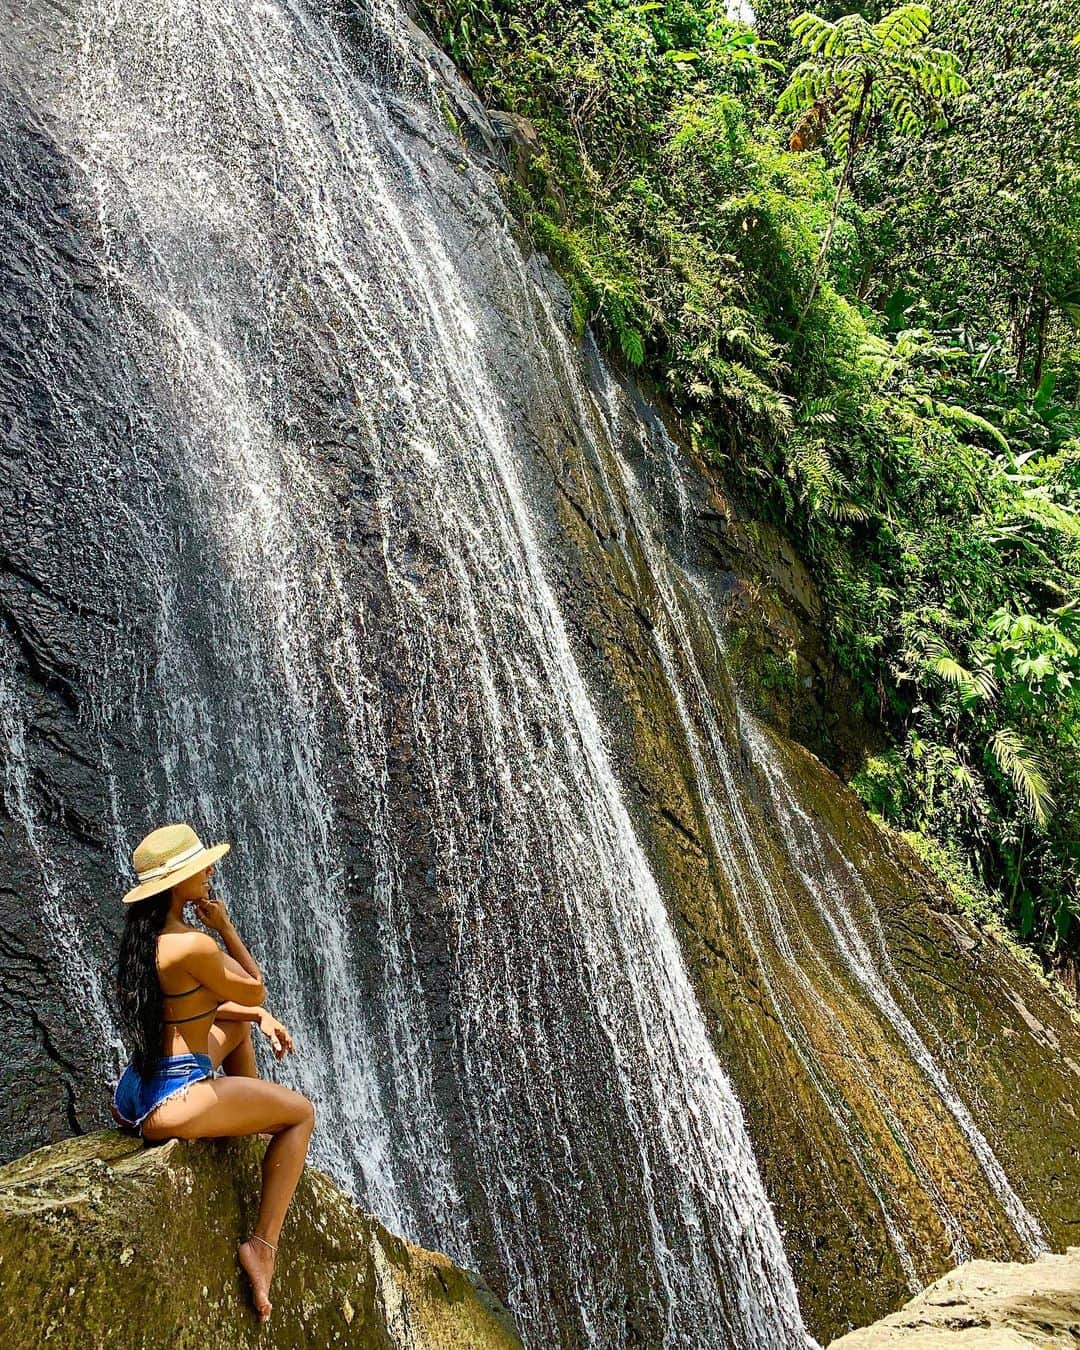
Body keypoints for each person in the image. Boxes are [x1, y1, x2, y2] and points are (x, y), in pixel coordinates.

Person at [111, 822, 316, 1324]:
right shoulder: (196, 945)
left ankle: (239, 1126)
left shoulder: (147, 942)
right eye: (199, 867)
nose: (209, 871)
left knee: (243, 1029)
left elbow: (196, 1011)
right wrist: (225, 928)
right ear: (176, 881)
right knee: (300, 1115)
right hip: (177, 1099)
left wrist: (254, 1018)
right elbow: (253, 987)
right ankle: (262, 1248)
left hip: (137, 1091)